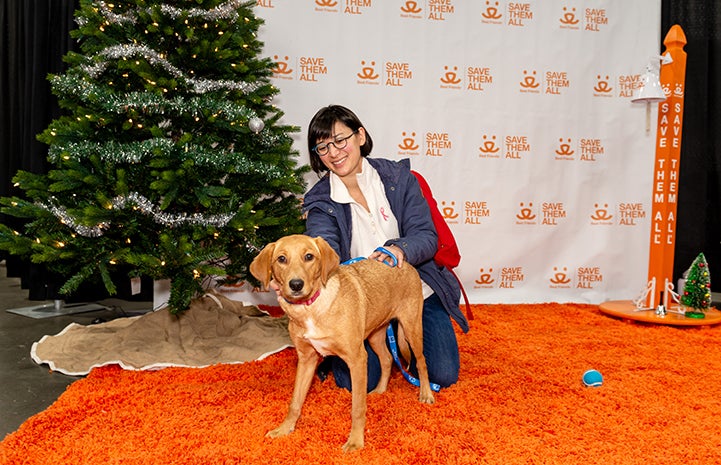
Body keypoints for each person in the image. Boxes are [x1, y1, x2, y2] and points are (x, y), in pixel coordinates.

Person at [301, 104, 469, 392]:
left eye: (340, 140)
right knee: (358, 382)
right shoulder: (319, 201)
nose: (334, 152)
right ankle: (358, 349)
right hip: (359, 303)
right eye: (323, 147)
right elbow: (324, 248)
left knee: (444, 374)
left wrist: (399, 250)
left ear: (361, 137)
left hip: (414, 288)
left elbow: (426, 236)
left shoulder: (398, 178)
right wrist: (301, 270)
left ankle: (403, 337)